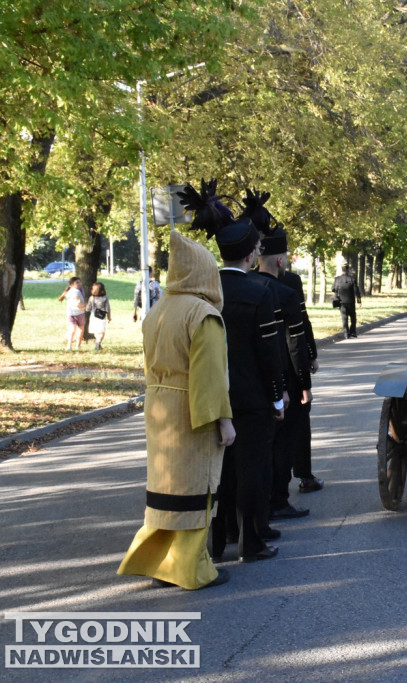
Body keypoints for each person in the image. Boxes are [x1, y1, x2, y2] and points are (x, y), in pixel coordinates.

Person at [117, 229, 235, 590]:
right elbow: (210, 376)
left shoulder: (157, 312)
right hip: (190, 410)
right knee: (197, 486)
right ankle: (191, 568)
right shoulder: (203, 315)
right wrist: (223, 421)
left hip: (159, 408)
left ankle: (158, 561)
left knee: (165, 485)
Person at [178, 179, 285, 564]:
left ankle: (219, 541)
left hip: (212, 395)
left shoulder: (203, 293)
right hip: (253, 396)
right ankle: (252, 541)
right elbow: (269, 353)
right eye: (257, 248)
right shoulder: (261, 292)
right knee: (253, 470)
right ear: (251, 255)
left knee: (219, 473)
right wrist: (277, 394)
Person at [254, 223, 316, 518]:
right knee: (285, 439)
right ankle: (278, 499)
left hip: (252, 378)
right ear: (279, 260)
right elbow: (296, 342)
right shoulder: (285, 291)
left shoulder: (244, 286)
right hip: (285, 376)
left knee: (260, 442)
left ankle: (260, 499)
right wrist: (303, 383)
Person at [332, 264, 361, 337]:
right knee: (353, 317)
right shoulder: (352, 279)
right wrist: (359, 301)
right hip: (351, 301)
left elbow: (333, 289)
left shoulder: (337, 279)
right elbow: (356, 290)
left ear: (342, 270)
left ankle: (346, 333)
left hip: (341, 302)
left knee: (344, 317)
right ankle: (353, 332)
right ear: (348, 270)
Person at [57, 276, 85, 351]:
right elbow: (78, 304)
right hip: (76, 313)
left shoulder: (71, 291)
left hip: (74, 313)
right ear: (72, 284)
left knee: (77, 330)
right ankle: (75, 346)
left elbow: (64, 295)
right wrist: (86, 306)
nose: (79, 284)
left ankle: (71, 346)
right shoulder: (76, 292)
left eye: (80, 282)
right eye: (77, 282)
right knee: (75, 329)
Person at [86, 282, 112, 351]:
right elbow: (108, 308)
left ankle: (98, 342)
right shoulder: (105, 298)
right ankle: (98, 342)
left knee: (96, 331)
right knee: (102, 331)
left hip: (93, 316)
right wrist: (109, 317)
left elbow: (88, 308)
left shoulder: (92, 298)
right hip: (102, 316)